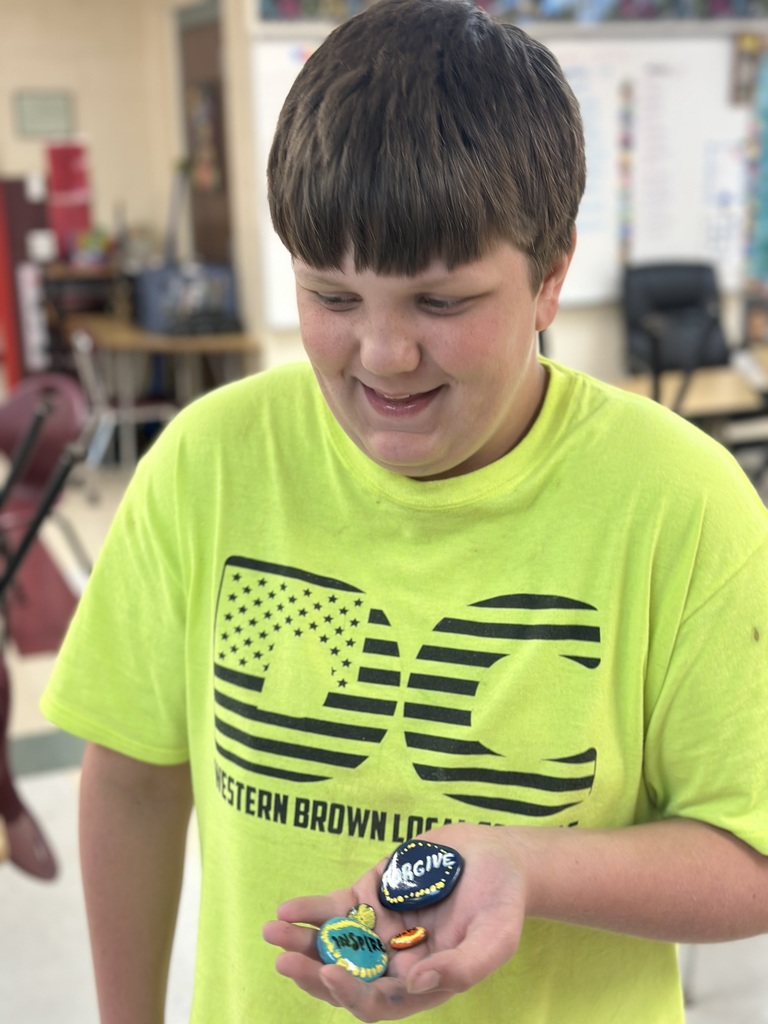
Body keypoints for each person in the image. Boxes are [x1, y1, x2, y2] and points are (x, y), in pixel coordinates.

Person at [41, 0, 768, 1021]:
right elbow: (132, 778)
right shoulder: (209, 463)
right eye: (331, 297)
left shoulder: (682, 506)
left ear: (552, 273)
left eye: (441, 302)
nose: (383, 354)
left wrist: (529, 865)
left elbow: (752, 853)